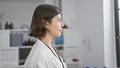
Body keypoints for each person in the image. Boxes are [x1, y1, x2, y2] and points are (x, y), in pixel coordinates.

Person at [23, 4, 67, 68]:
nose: (62, 24)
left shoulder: (50, 47)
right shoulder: (38, 57)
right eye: (58, 20)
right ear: (45, 23)